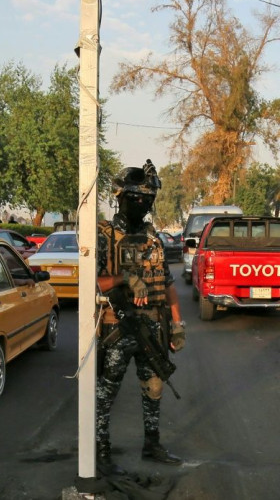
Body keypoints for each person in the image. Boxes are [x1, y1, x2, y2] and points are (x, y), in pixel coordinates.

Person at [95, 160, 186, 477]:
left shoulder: (153, 238)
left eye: (147, 199)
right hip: (116, 327)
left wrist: (176, 324)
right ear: (120, 196)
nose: (141, 204)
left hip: (152, 326)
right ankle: (101, 453)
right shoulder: (103, 235)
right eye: (135, 198)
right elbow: (94, 283)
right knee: (106, 393)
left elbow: (169, 284)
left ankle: (152, 444)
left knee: (154, 387)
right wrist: (125, 279)